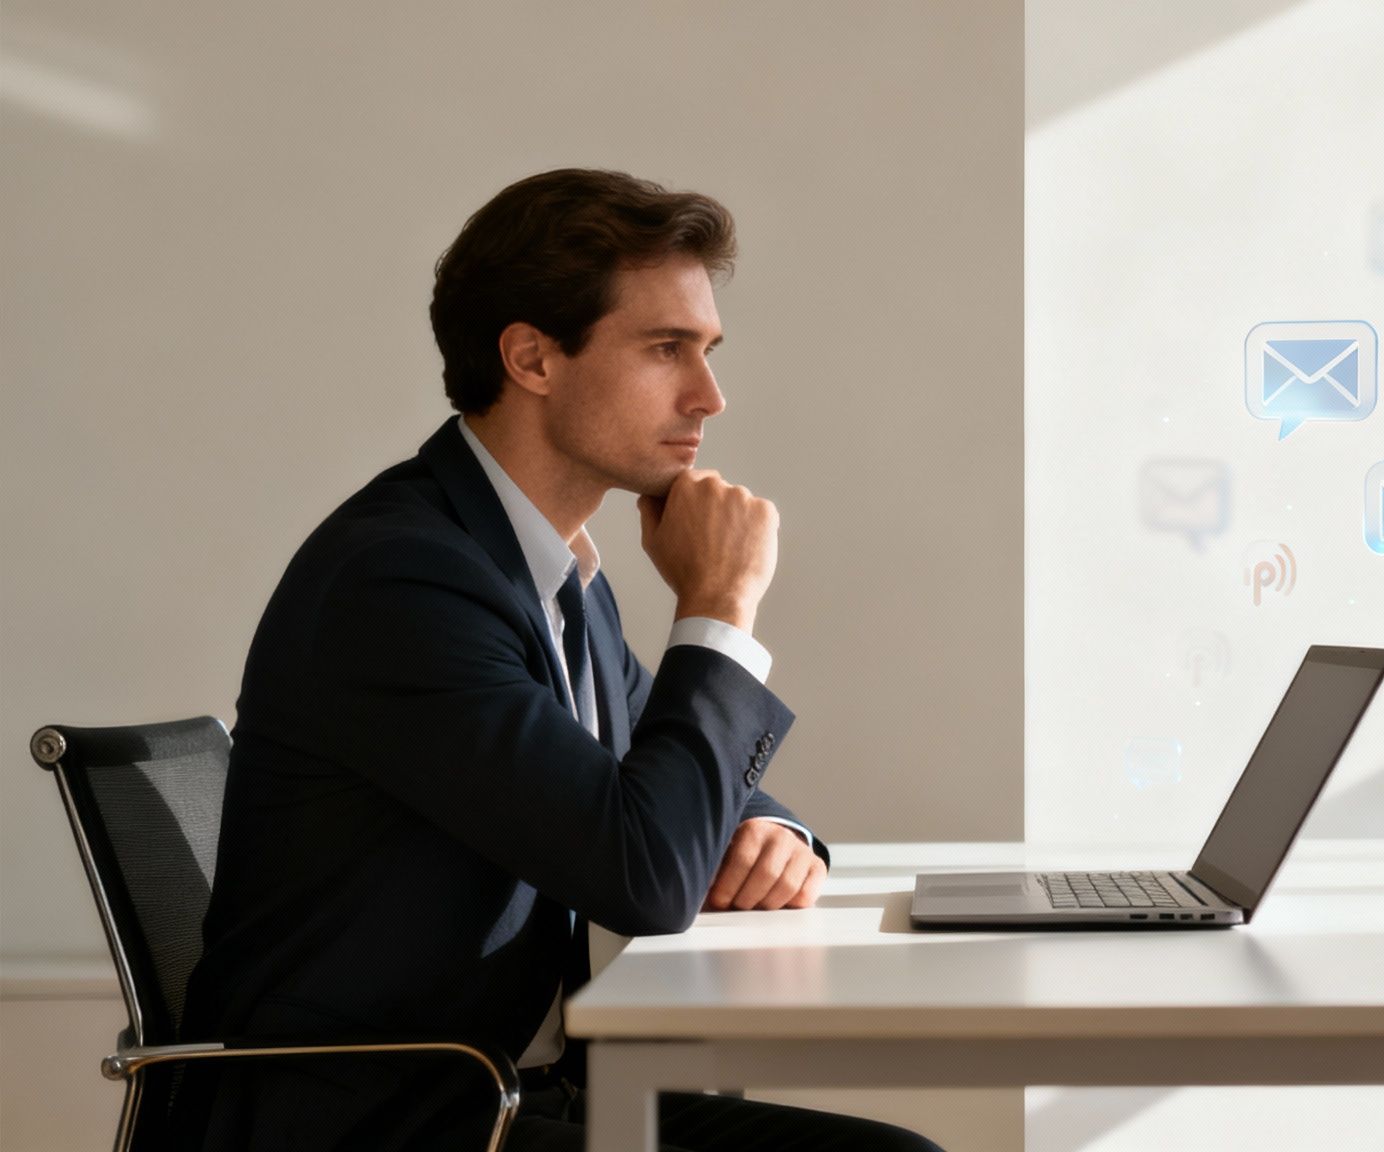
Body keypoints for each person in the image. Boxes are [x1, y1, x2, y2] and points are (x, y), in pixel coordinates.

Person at [171, 168, 943, 1151]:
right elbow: (644, 875)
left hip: (507, 1095)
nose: (708, 394)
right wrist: (720, 604)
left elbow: (661, 784)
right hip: (384, 1123)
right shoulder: (405, 581)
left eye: (704, 351)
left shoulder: (542, 571)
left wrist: (779, 836)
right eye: (665, 349)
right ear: (532, 358)